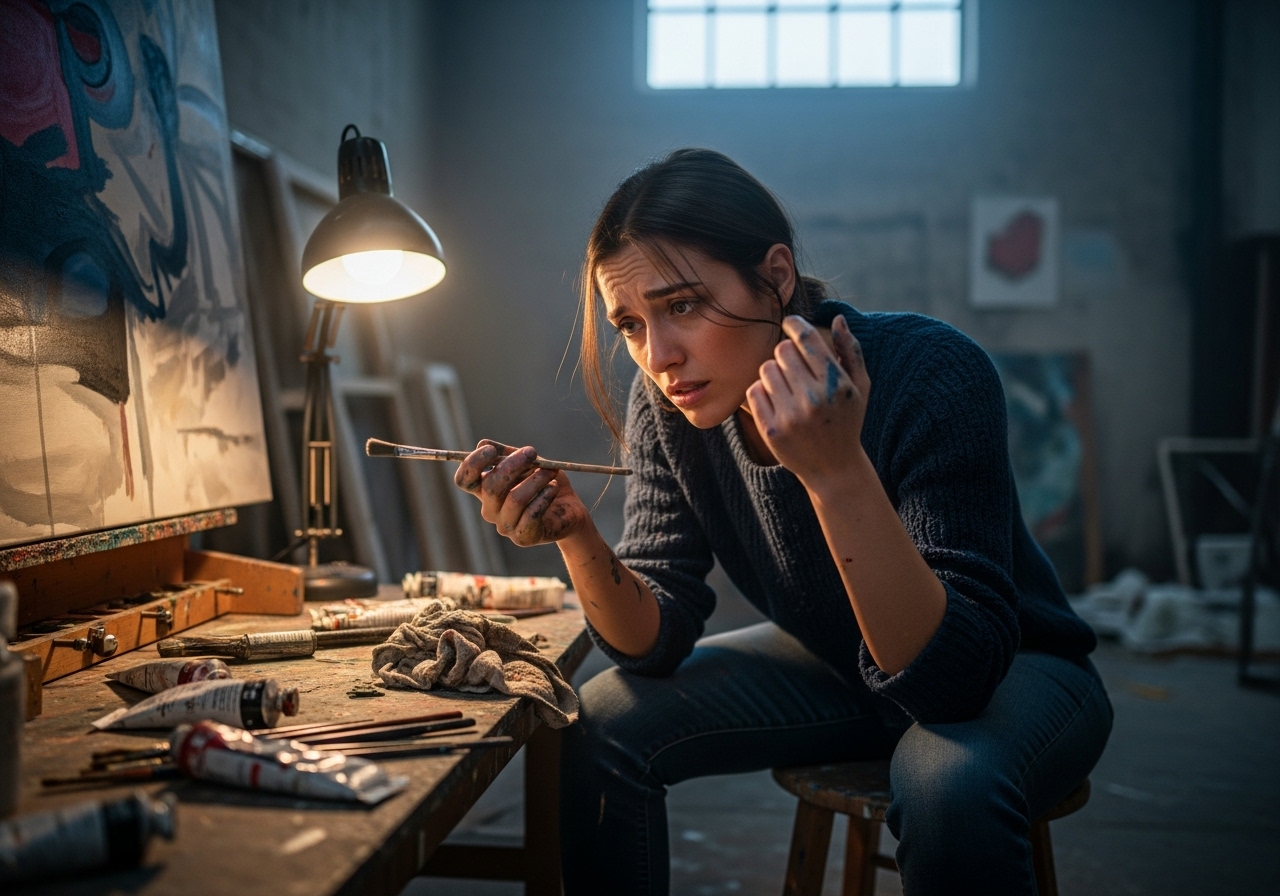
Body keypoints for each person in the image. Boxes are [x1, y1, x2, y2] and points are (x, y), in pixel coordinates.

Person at [452, 148, 1112, 895]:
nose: (660, 357)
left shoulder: (932, 371)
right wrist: (576, 535)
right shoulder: (670, 408)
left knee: (944, 785)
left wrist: (834, 472)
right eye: (629, 325)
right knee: (598, 718)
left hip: (1014, 668)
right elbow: (654, 639)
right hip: (836, 658)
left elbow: (951, 684)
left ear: (776, 276)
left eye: (683, 305)